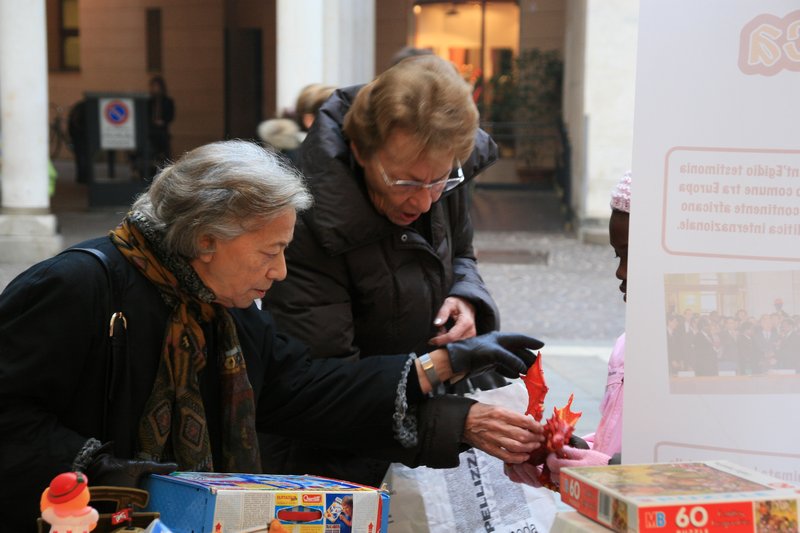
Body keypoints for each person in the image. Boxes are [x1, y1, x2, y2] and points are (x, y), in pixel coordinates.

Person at [0, 140, 545, 533]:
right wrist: (106, 470)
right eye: (270, 251)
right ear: (208, 239)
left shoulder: (220, 303)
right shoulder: (77, 285)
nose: (281, 271)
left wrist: (445, 375)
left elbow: (301, 388)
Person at [261, 54, 518, 485]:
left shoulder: (440, 172)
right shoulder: (303, 220)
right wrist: (455, 418)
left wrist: (465, 299)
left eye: (439, 181)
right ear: (360, 149)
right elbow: (322, 389)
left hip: (413, 429)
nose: (423, 201)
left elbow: (461, 256)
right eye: (404, 183)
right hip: (324, 468)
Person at [505, 171, 632, 487]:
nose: (620, 271)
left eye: (633, 255)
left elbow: (691, 474)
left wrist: (600, 469)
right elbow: (610, 443)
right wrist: (562, 454)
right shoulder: (625, 348)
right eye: (618, 255)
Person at [148, 75, 175, 171]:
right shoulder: (149, 102)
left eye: (157, 86)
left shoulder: (168, 101)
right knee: (151, 149)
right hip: (151, 130)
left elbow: (171, 116)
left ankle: (166, 169)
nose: (155, 89)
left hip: (163, 130)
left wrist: (162, 122)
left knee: (164, 151)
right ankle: (151, 169)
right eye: (153, 86)